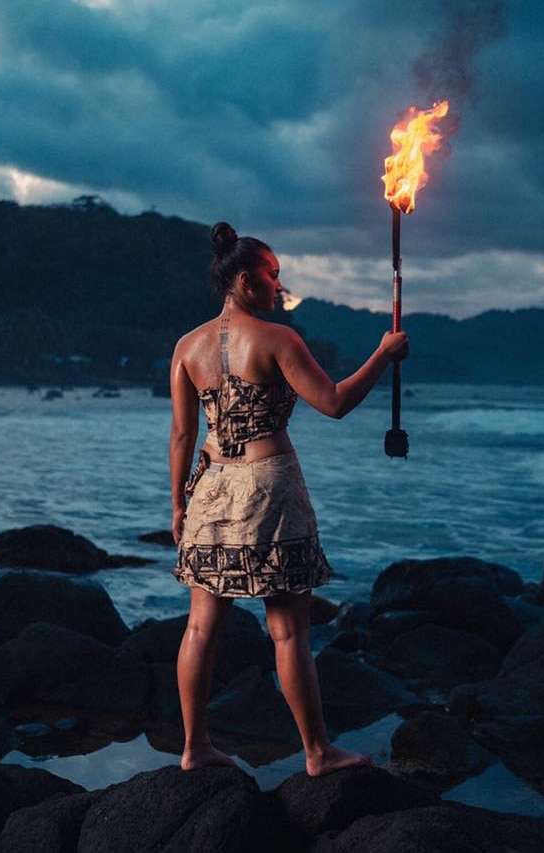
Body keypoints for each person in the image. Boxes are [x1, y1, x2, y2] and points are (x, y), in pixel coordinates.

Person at [170, 221, 409, 776]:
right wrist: (383, 354)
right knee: (288, 630)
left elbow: (182, 436)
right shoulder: (279, 340)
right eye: (274, 276)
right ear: (248, 281)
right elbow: (333, 403)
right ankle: (318, 752)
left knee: (201, 627)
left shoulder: (187, 347)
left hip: (207, 491)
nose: (280, 286)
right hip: (268, 488)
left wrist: (178, 507)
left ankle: (194, 746)